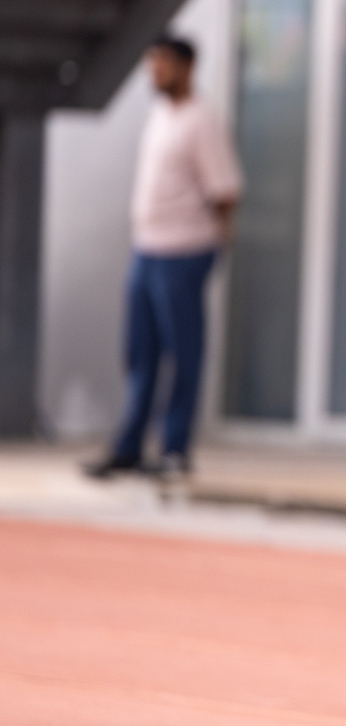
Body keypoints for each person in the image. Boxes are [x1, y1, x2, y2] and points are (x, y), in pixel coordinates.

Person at [83, 36, 242, 480]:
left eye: (164, 65)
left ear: (187, 68)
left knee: (183, 352)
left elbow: (225, 191)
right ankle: (129, 445)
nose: (155, 73)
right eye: (151, 64)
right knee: (139, 353)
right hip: (147, 249)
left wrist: (208, 241)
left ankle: (174, 450)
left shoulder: (201, 122)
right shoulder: (159, 116)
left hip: (184, 251)